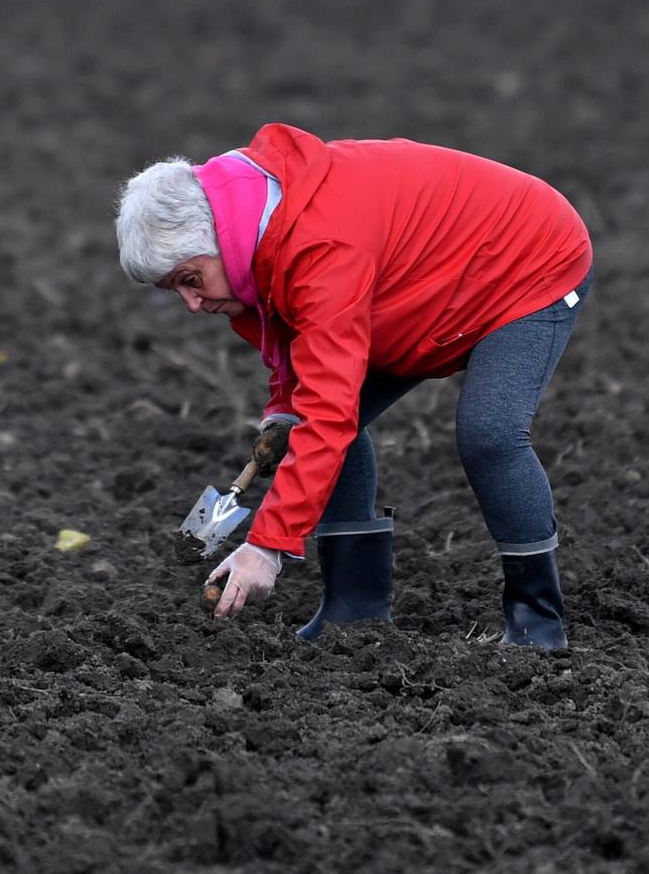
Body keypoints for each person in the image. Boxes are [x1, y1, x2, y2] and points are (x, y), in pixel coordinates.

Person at [114, 126, 594, 649]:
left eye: (190, 279)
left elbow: (329, 411)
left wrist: (266, 547)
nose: (190, 305)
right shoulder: (250, 232)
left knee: (490, 433)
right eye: (173, 290)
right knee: (308, 425)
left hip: (526, 262)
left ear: (217, 241)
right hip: (417, 287)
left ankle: (536, 624)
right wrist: (282, 407)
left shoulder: (320, 245)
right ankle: (353, 613)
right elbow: (293, 343)